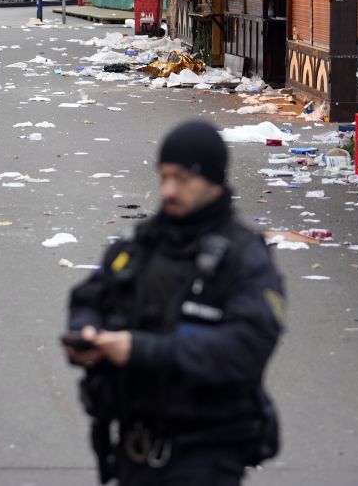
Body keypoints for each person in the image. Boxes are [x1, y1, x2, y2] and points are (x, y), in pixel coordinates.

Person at [64, 120, 285, 485]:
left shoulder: (245, 260)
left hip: (205, 456)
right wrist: (85, 333)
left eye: (182, 179)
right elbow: (89, 296)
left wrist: (139, 350)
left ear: (213, 181)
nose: (168, 190)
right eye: (163, 176)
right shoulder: (140, 245)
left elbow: (243, 350)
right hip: (132, 452)